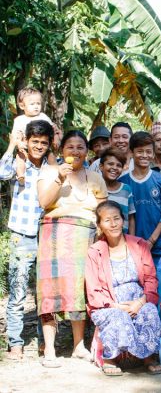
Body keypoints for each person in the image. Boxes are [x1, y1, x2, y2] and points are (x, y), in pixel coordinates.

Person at [37, 130, 108, 367]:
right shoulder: (48, 171)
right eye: (70, 147)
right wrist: (59, 178)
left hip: (84, 237)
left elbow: (102, 212)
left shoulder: (95, 177)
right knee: (50, 290)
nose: (75, 152)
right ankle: (49, 349)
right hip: (54, 236)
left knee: (80, 290)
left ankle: (79, 346)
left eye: (80, 147)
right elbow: (44, 202)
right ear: (61, 151)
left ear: (86, 152)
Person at [85, 201, 161, 376]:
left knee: (149, 311)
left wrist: (140, 302)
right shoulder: (95, 251)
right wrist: (118, 307)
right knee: (119, 317)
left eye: (116, 218)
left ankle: (148, 357)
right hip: (109, 305)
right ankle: (110, 358)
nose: (113, 224)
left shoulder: (139, 245)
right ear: (99, 225)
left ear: (123, 220)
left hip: (138, 301)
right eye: (107, 220)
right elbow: (93, 291)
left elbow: (151, 279)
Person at [0, 120, 53, 360]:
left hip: (48, 236)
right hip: (22, 235)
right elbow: (1, 173)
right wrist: (12, 146)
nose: (39, 146)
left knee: (47, 292)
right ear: (27, 142)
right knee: (18, 290)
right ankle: (16, 343)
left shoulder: (52, 167)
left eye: (44, 142)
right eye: (35, 142)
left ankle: (46, 344)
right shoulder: (18, 165)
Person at [119, 132, 161, 266]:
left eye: (148, 151)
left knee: (159, 282)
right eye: (140, 151)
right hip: (129, 246)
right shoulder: (122, 182)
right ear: (131, 152)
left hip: (158, 246)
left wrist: (151, 241)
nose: (144, 155)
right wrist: (131, 242)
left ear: (153, 154)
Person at [11, 88, 56, 185]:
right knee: (20, 158)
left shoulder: (43, 116)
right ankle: (21, 175)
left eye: (38, 104)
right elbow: (15, 134)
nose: (36, 107)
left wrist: (56, 139)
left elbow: (53, 129)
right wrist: (19, 143)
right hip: (25, 147)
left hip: (42, 147)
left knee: (51, 156)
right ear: (22, 105)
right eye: (32, 104)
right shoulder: (19, 120)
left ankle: (56, 172)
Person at [99, 148, 136, 234]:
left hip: (122, 240)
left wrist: (131, 239)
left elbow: (131, 218)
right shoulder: (95, 188)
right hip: (100, 239)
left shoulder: (126, 190)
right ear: (101, 166)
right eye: (110, 164)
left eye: (118, 165)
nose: (114, 168)